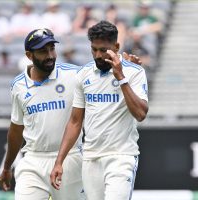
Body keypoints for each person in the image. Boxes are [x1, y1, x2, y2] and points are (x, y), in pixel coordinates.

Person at [0, 28, 142, 200]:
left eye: (52, 49)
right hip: (33, 159)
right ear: (29, 55)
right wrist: (7, 167)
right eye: (43, 51)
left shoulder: (74, 74)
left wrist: (128, 69)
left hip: (70, 159)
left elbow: (101, 73)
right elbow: (15, 130)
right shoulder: (18, 86)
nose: (50, 55)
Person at [50, 20, 148, 200]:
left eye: (103, 50)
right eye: (94, 49)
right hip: (90, 158)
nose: (97, 55)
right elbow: (75, 121)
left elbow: (141, 114)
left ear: (116, 46)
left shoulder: (134, 72)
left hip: (121, 156)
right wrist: (59, 161)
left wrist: (121, 78)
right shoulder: (83, 74)